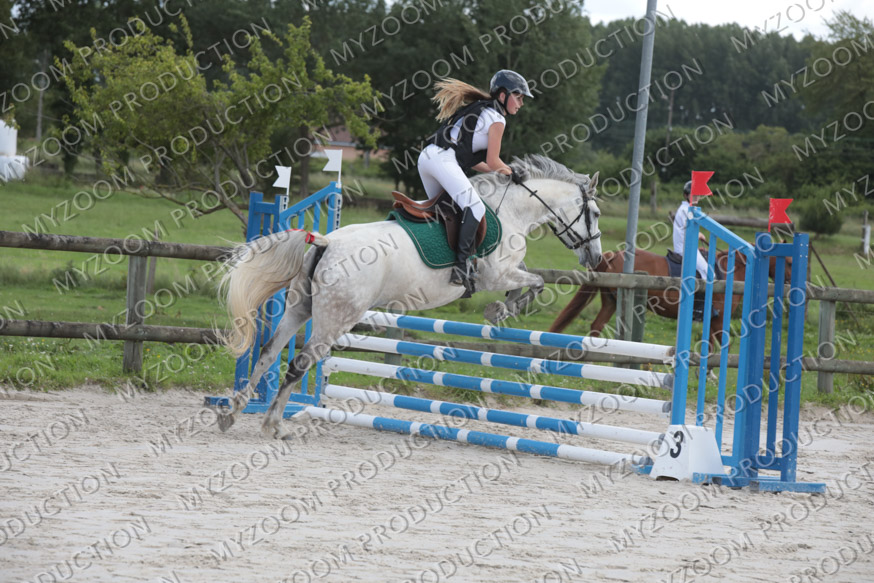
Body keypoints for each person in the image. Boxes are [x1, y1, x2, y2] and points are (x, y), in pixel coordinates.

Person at [418, 70, 533, 293]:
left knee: (444, 211)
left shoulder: (481, 109)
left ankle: (437, 262)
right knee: (475, 207)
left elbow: (479, 163)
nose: (521, 103)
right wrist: (511, 172)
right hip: (443, 160)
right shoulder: (497, 118)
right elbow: (493, 161)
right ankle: (461, 267)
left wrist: (504, 172)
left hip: (427, 158)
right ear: (503, 95)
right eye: (518, 97)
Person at [672, 180, 709, 279]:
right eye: (693, 194)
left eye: (698, 194)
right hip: (684, 248)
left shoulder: (688, 208)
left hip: (687, 246)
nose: (696, 196)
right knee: (709, 274)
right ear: (686, 195)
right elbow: (688, 229)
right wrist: (699, 235)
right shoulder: (685, 210)